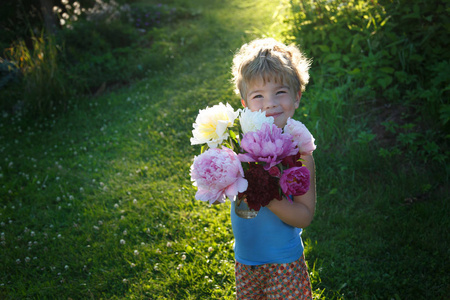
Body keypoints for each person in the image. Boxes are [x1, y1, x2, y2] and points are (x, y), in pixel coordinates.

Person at [230, 38, 315, 299]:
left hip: (283, 263)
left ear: (296, 97)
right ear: (245, 103)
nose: (270, 103)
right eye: (258, 95)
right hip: (246, 261)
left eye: (280, 92)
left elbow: (304, 216)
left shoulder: (299, 151)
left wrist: (266, 196)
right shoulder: (237, 146)